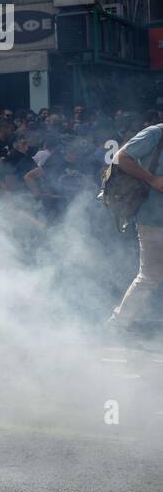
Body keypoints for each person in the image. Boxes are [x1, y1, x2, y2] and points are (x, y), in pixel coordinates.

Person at [106, 120, 163, 337]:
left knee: (150, 276)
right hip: (155, 218)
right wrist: (152, 179)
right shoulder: (156, 133)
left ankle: (117, 325)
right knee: (150, 276)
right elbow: (121, 157)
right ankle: (116, 326)